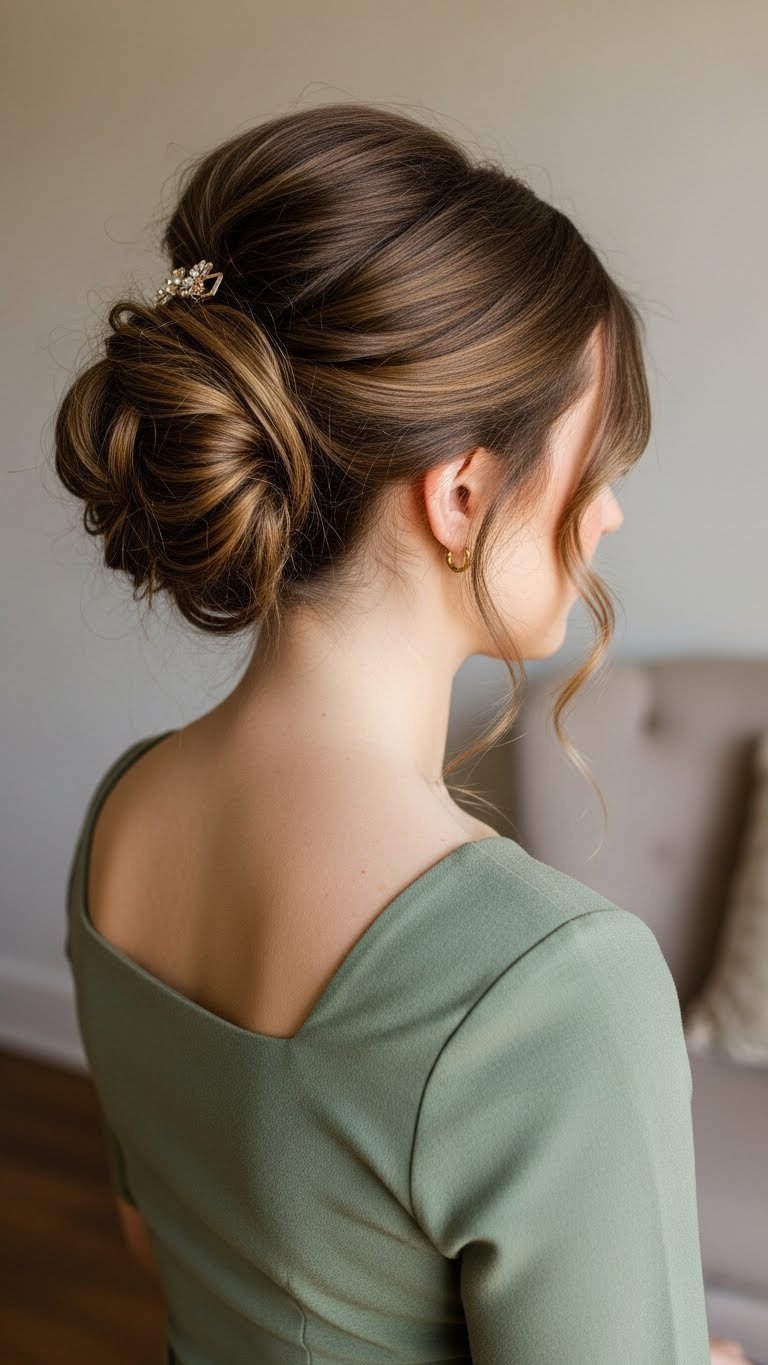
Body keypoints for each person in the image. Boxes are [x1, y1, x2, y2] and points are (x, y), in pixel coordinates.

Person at [55, 101, 742, 1363]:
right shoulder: (553, 987)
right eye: (596, 462)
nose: (609, 519)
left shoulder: (124, 815)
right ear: (465, 491)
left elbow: (165, 1241)